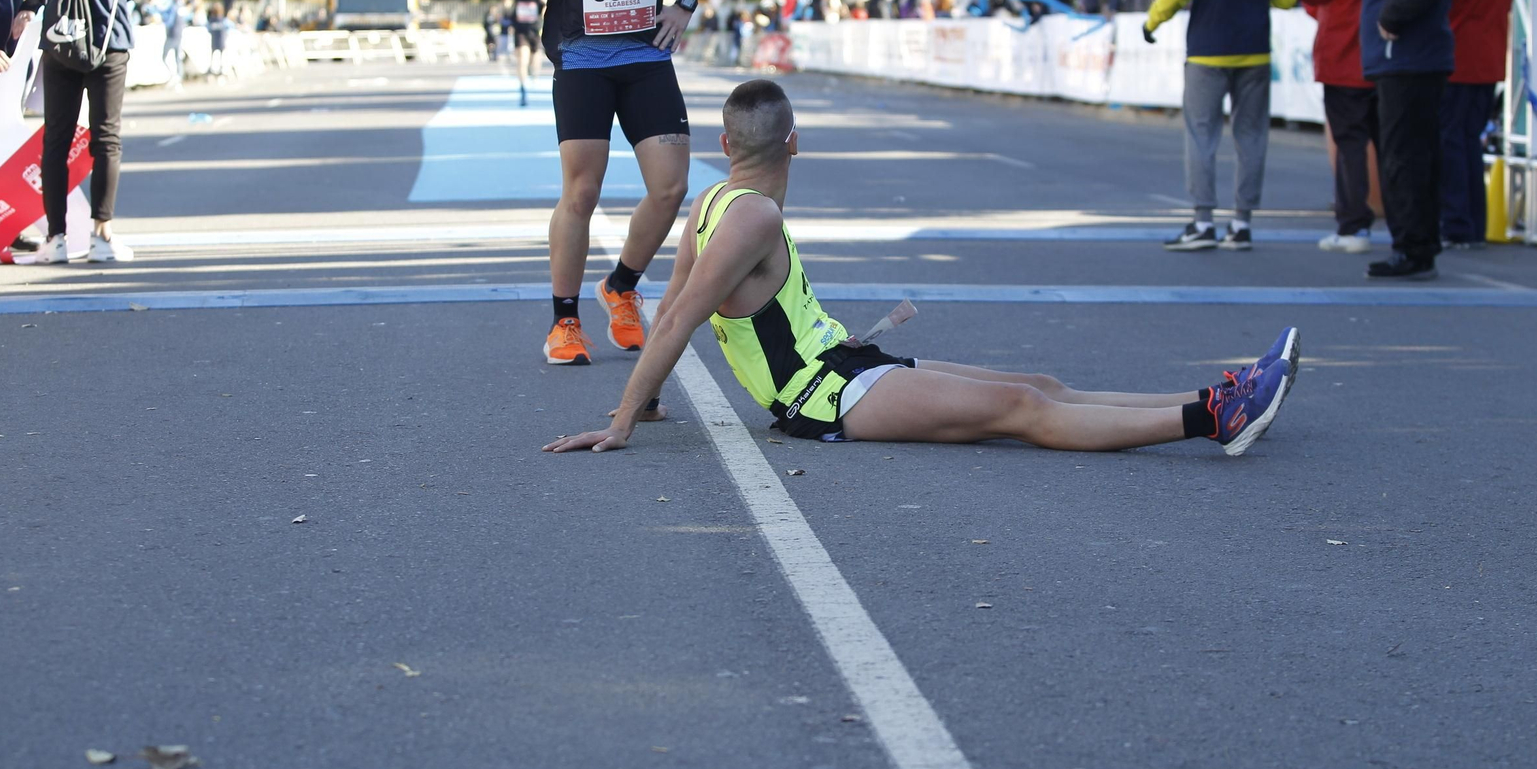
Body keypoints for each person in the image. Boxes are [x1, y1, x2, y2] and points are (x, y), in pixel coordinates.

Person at [544, 80, 1298, 458]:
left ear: (725, 140)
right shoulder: (753, 215)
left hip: (841, 365)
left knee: (1039, 385)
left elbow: (670, 298)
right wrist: (621, 420)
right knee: (1018, 407)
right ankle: (1215, 419)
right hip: (824, 395)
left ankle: (1215, 391)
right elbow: (676, 316)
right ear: (795, 144)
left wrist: (640, 404)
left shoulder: (711, 199)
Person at [473, 0, 709, 365]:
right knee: (582, 191)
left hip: (647, 54)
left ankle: (621, 287)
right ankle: (564, 321)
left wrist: (684, 4)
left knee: (672, 186)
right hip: (582, 60)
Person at [1144, 0, 1298, 252]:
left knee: (1201, 135)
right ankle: (1242, 225)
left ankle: (1202, 222)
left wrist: (1152, 21)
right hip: (1254, 50)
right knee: (1251, 136)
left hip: (1209, 50)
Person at [26, 0, 144, 264]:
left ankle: (55, 239)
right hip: (109, 41)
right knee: (106, 138)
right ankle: (101, 234)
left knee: (55, 139)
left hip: (59, 40)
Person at [1361, 0, 1455, 280]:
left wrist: (1392, 16)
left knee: (1406, 158)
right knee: (1408, 155)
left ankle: (1413, 250)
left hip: (1409, 62)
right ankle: (1415, 246)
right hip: (1407, 61)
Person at [1293, 0, 1379, 253]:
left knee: (1350, 145)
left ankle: (1353, 226)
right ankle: (1410, 228)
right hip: (1389, 61)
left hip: (1345, 60)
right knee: (1394, 144)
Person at [1440, 0, 1516, 248]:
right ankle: (1473, 221)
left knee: (1450, 141)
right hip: (1488, 59)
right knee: (1469, 140)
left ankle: (1457, 223)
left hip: (1457, 57)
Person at [503, 0, 548, 105]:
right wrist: (507, 4)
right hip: (520, 27)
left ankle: (531, 72)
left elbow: (554, 1)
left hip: (536, 28)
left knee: (535, 61)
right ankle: (522, 89)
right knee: (522, 58)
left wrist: (545, 2)